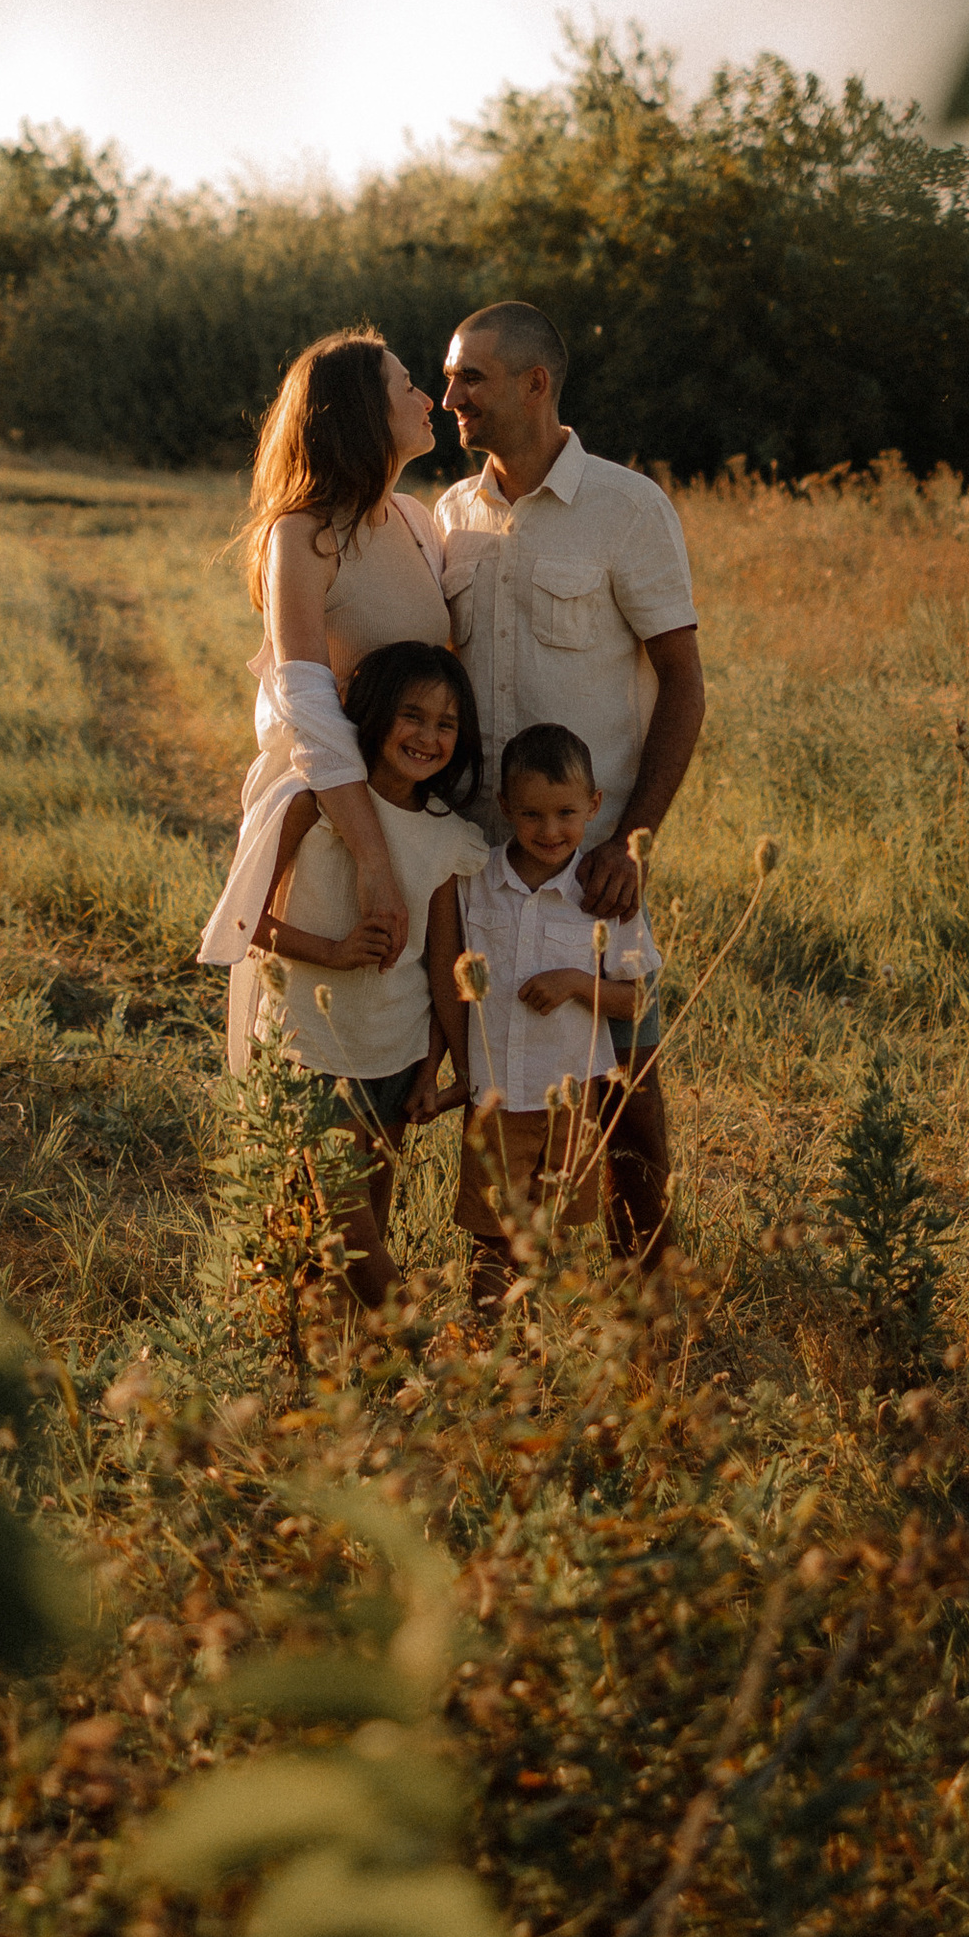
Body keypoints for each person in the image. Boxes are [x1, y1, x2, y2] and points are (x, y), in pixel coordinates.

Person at [437, 299, 703, 1265]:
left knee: (624, 1080)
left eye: (471, 378)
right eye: (450, 377)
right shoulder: (452, 515)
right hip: (484, 856)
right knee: (497, 1068)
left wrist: (634, 842)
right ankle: (500, 1282)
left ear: (535, 385)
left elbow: (682, 680)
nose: (449, 396)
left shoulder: (628, 510)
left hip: (592, 857)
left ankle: (649, 1285)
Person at [198, 330, 452, 1070]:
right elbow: (304, 697)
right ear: (363, 414)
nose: (426, 397)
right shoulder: (302, 535)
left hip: (406, 805)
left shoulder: (414, 519)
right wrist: (371, 856)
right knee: (314, 1058)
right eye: (407, 385)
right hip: (330, 819)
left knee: (389, 1044)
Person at [236, 638, 484, 1306]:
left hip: (396, 1056)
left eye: (446, 723)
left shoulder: (447, 835)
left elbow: (442, 968)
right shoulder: (314, 806)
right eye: (413, 715)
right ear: (372, 711)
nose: (428, 736)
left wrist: (443, 1067)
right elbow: (243, 922)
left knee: (355, 1226)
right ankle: (431, 1357)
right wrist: (333, 951)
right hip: (312, 1050)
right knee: (352, 1239)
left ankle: (343, 1376)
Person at [423, 721, 650, 1312]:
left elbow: (638, 1000)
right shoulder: (477, 884)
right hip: (498, 1093)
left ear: (595, 806)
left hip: (571, 1095)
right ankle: (489, 1342)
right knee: (493, 1234)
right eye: (531, 816)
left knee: (551, 1233)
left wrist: (577, 982)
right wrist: (446, 1071)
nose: (550, 831)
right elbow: (444, 981)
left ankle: (536, 1343)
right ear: (505, 808)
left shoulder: (605, 892)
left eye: (566, 814)